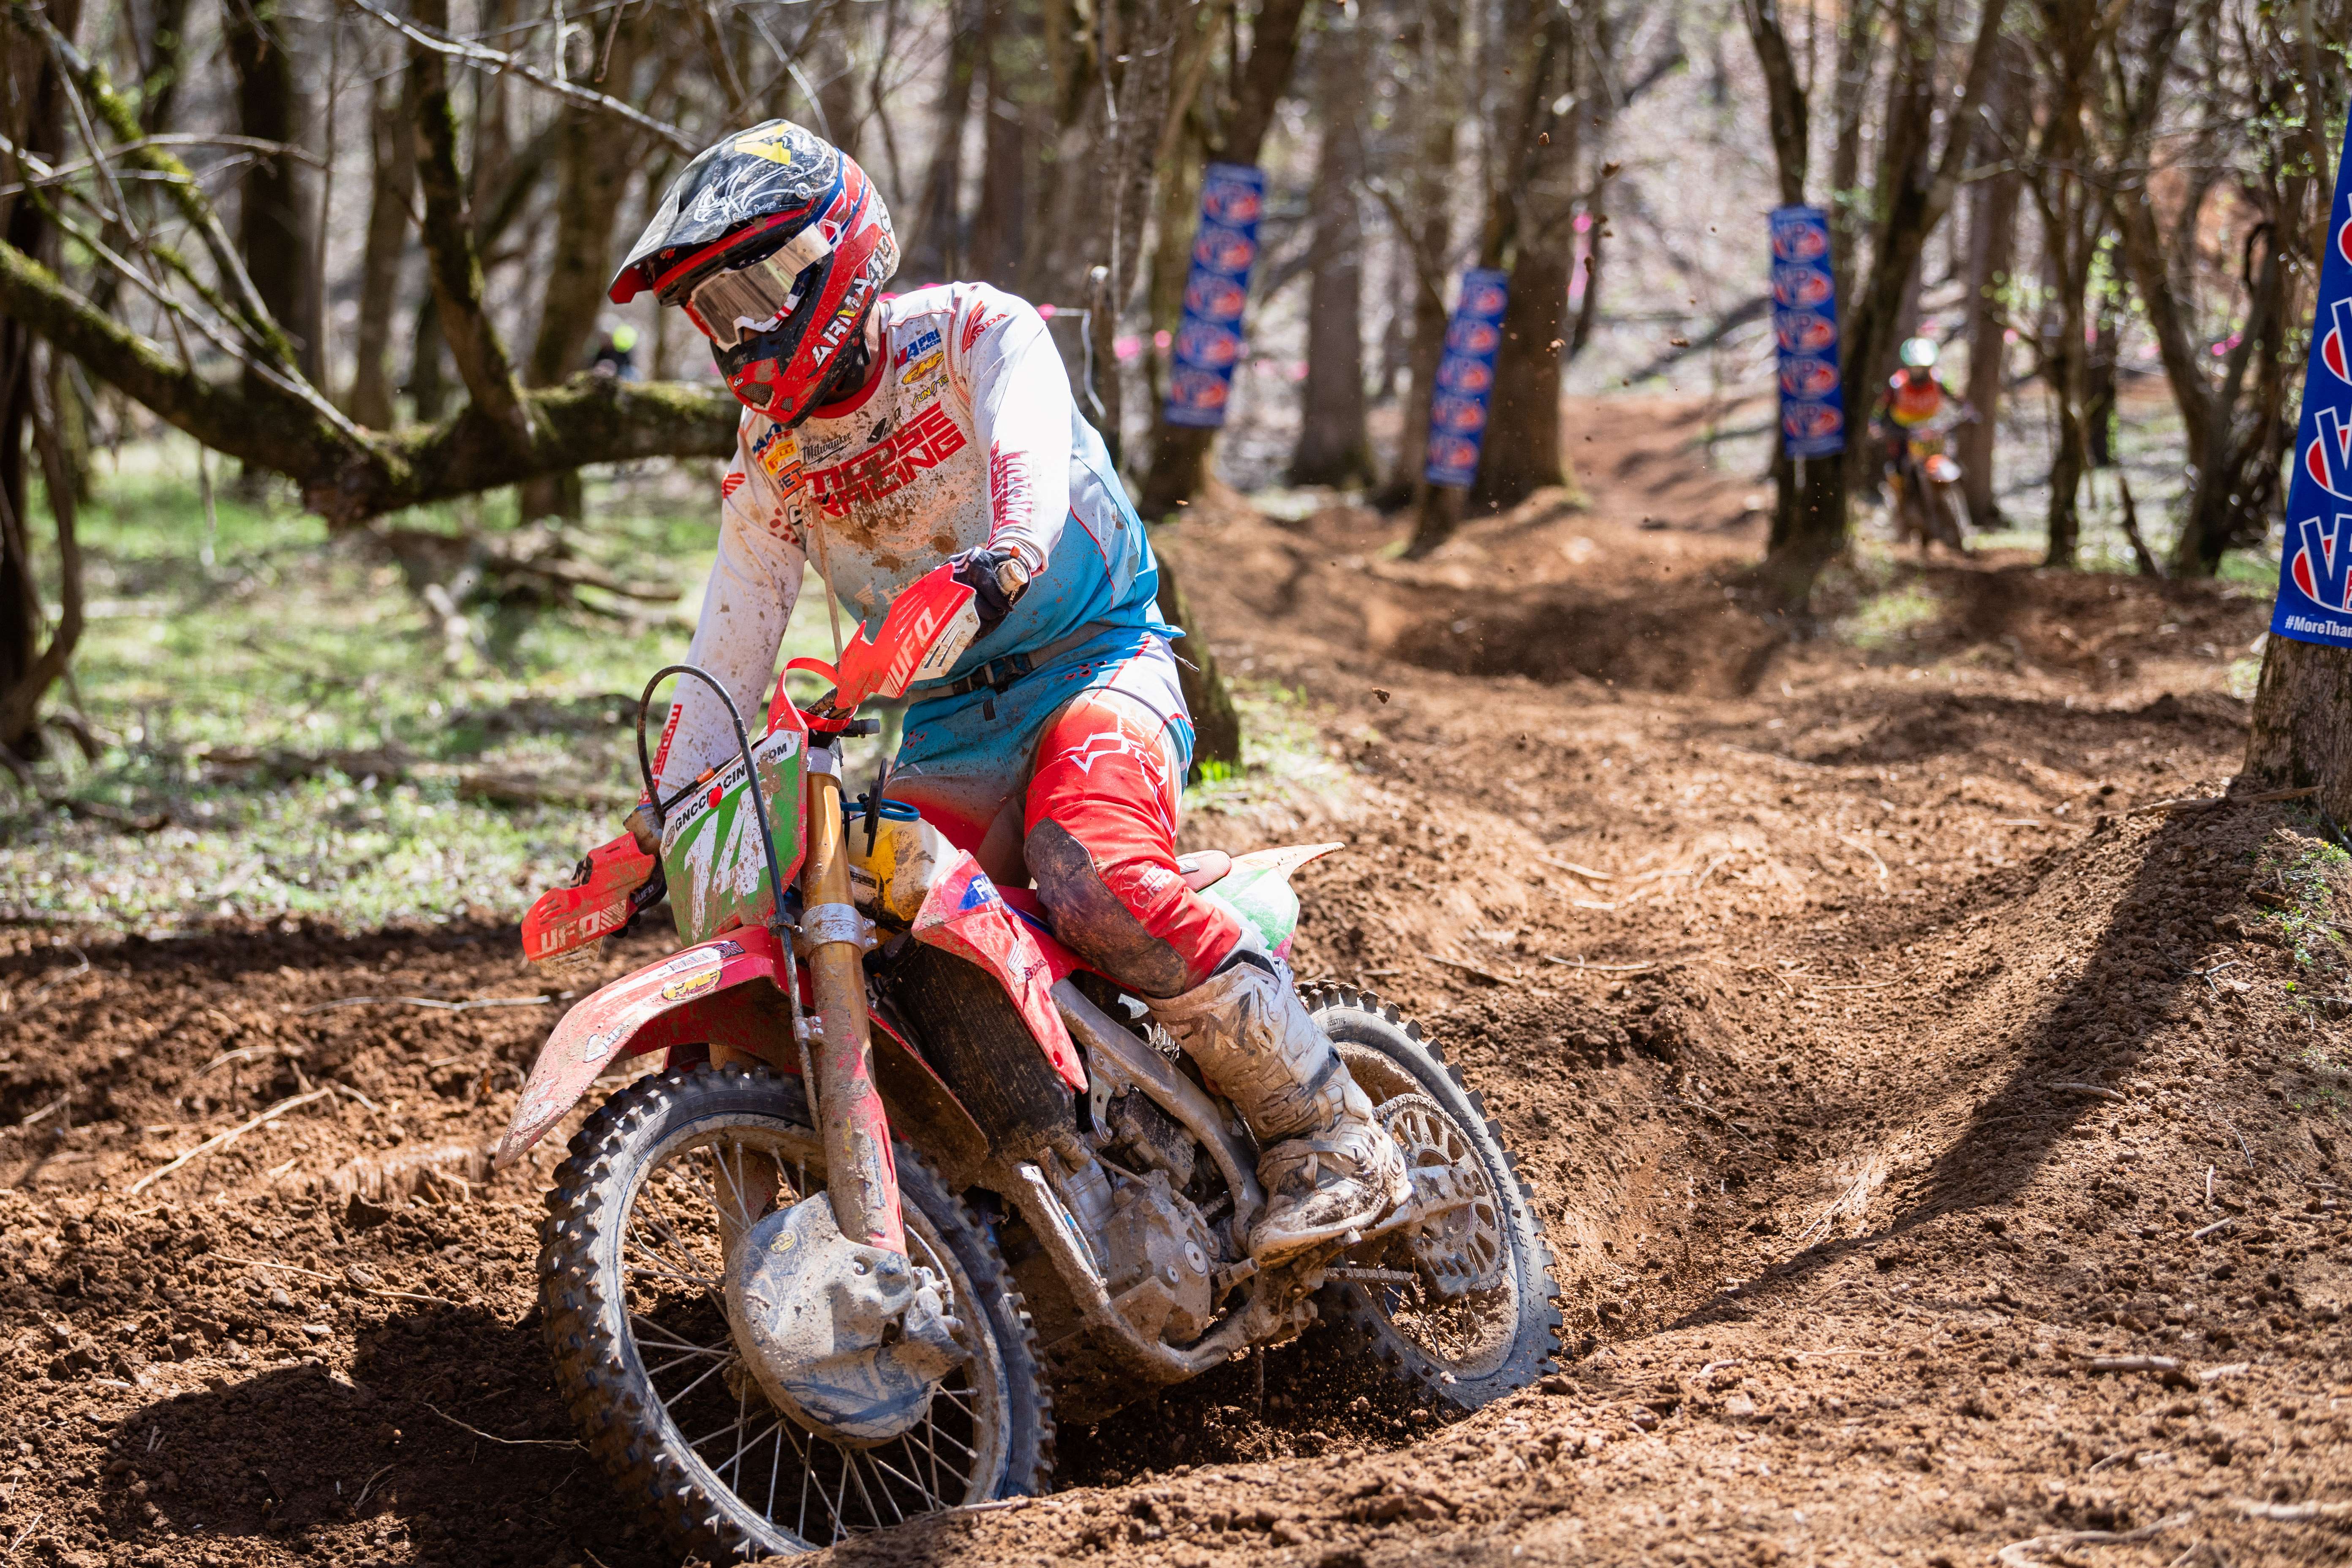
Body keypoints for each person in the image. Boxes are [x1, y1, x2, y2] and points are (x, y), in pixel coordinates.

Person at [604, 120, 1408, 1263]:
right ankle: (1026, 1195)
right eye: (713, 313)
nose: (742, 334)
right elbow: (730, 643)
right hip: (949, 713)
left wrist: (1007, 555)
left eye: (759, 289)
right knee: (879, 938)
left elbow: (1028, 454)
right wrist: (658, 819)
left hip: (1097, 657)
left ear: (840, 249)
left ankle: (1329, 1130)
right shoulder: (772, 457)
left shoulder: (975, 332)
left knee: (1093, 876)